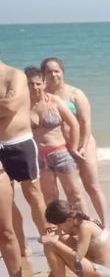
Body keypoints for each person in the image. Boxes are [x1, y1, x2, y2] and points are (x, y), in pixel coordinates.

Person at [40, 58, 108, 225]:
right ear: (43, 75)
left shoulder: (74, 94)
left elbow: (85, 122)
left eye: (57, 71)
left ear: (63, 72)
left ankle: (104, 224)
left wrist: (82, 147)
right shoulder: (42, 94)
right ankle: (75, 225)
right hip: (59, 148)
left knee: (91, 185)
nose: (53, 74)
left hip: (82, 144)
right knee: (70, 190)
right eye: (49, 72)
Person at [0, 56, 44, 277]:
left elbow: (9, 107)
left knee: (34, 197)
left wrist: (6, 104)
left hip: (18, 142)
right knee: (6, 205)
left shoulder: (14, 75)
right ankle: (22, 248)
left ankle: (51, 252)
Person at [26, 67, 86, 215]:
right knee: (50, 198)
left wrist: (73, 148)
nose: (35, 87)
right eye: (30, 84)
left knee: (75, 195)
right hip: (39, 158)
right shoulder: (23, 106)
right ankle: (60, 231)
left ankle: (85, 226)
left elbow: (74, 124)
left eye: (38, 83)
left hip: (60, 153)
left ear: (44, 83)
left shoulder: (54, 101)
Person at [39, 198, 110, 277]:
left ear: (68, 220)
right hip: (102, 268)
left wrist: (54, 242)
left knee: (52, 245)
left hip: (102, 272)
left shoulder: (85, 227)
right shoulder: (80, 222)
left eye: (58, 225)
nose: (58, 228)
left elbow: (77, 257)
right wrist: (56, 234)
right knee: (57, 241)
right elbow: (76, 243)